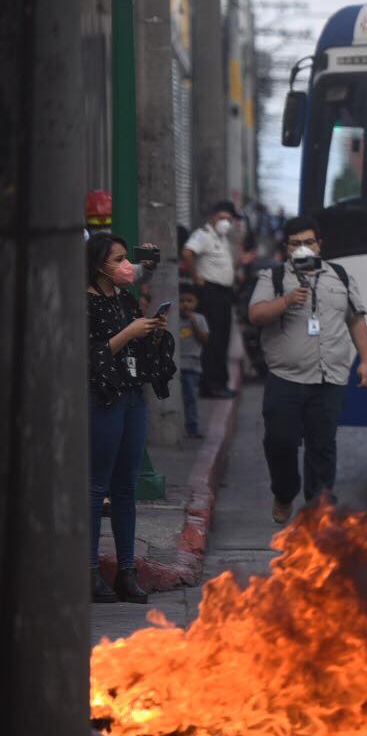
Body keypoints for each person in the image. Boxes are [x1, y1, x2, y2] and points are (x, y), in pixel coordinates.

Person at [247, 216, 367, 523]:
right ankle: (284, 491)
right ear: (287, 248)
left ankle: (320, 509)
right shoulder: (274, 277)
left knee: (323, 446)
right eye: (295, 243)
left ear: (320, 245)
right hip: (285, 377)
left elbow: (355, 318)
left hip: (330, 376)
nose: (302, 248)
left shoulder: (340, 276)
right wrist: (286, 300)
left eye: (308, 242)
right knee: (281, 442)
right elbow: (256, 314)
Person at [87, 233, 176, 603]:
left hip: (132, 397)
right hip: (102, 399)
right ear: (97, 266)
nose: (127, 267)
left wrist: (152, 333)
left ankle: (127, 571)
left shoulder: (124, 299)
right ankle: (89, 572)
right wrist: (129, 332)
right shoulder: (85, 303)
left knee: (126, 487)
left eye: (127, 258)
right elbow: (92, 355)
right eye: (118, 260)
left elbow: (134, 349)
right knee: (95, 487)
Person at [181, 200, 242, 398]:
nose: (226, 222)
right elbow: (187, 253)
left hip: (223, 294)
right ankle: (211, 385)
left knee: (222, 338)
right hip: (210, 293)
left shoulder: (222, 238)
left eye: (229, 219)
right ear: (213, 217)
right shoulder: (203, 235)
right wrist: (196, 277)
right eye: (222, 218)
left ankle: (219, 382)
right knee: (213, 339)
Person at [176, 283, 209, 439]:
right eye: (182, 301)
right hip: (175, 364)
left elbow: (204, 338)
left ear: (196, 303)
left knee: (191, 397)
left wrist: (193, 322)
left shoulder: (200, 319)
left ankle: (192, 427)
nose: (185, 304)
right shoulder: (172, 319)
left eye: (189, 301)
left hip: (192, 365)